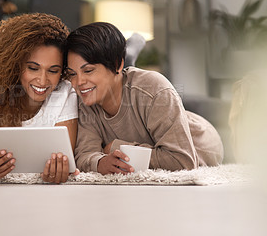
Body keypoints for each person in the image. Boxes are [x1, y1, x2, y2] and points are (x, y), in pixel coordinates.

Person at [65, 22, 224, 175]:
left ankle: (130, 54)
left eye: (88, 71)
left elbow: (183, 161)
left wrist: (116, 147)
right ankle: (130, 55)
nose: (78, 83)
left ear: (117, 64)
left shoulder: (154, 87)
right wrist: (100, 163)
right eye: (72, 74)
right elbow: (85, 155)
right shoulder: (86, 97)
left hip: (200, 141)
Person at [0, 13, 79, 183]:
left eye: (53, 71)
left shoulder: (66, 92)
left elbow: (65, 161)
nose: (42, 80)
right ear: (15, 64)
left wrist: (60, 170)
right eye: (33, 68)